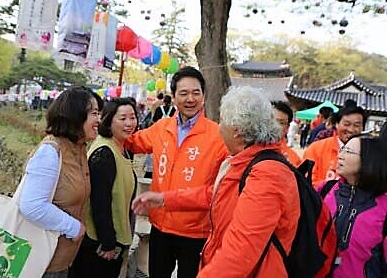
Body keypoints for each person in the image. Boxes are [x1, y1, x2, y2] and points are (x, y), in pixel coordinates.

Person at [132, 86, 301, 277]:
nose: (218, 127)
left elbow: (240, 253)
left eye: (222, 121)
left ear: (236, 131)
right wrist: (165, 199)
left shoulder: (267, 175)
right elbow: (216, 195)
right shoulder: (245, 160)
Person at [126, 66, 229, 278]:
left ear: (204, 95)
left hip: (196, 231)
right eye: (183, 93)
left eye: (196, 93)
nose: (190, 99)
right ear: (173, 97)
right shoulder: (161, 128)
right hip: (160, 228)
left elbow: (220, 189)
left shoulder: (218, 135)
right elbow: (131, 142)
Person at [19, 86, 103, 278]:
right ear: (75, 115)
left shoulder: (79, 149)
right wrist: (74, 227)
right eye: (94, 113)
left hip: (63, 258)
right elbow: (31, 205)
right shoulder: (51, 151)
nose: (99, 120)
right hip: (43, 262)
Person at [69, 98, 138, 278]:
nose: (129, 123)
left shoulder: (122, 149)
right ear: (108, 121)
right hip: (99, 245)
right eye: (122, 119)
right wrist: (108, 243)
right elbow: (100, 202)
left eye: (133, 117)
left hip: (112, 239)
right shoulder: (104, 154)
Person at [318, 133, 387, 277]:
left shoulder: (383, 207)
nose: (340, 155)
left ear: (368, 159)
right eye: (342, 149)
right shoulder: (325, 190)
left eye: (348, 151)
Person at [303, 100, 366, 187]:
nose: (351, 130)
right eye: (346, 124)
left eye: (356, 125)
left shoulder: (367, 153)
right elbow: (306, 183)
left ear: (362, 127)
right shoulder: (316, 148)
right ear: (336, 124)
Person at [271, 101, 302, 166]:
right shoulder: (246, 147)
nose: (275, 126)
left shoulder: (293, 159)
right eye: (272, 120)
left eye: (281, 123)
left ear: (287, 128)